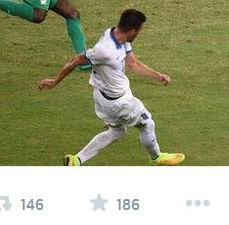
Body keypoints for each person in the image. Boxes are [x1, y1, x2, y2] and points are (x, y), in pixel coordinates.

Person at [38, 8, 185, 166]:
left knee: (117, 131)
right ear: (132, 31)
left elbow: (133, 63)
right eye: (139, 30)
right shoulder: (105, 51)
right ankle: (156, 157)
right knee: (147, 123)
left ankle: (76, 160)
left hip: (102, 96)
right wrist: (55, 81)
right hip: (119, 102)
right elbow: (76, 61)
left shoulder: (114, 33)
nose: (139, 33)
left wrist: (158, 75)